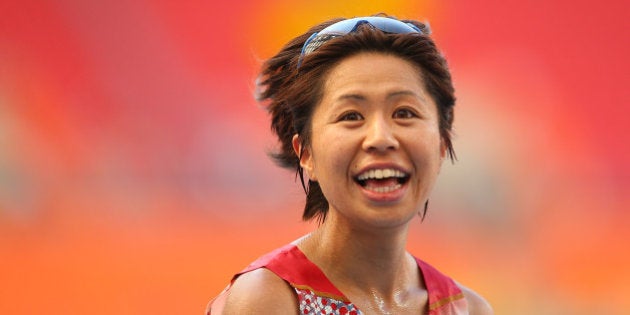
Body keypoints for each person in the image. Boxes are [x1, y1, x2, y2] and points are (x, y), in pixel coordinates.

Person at [207, 14, 493, 315]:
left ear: (441, 145)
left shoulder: (467, 309)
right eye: (351, 116)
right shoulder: (269, 299)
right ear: (306, 153)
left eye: (405, 113)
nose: (381, 138)